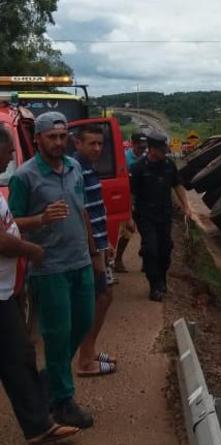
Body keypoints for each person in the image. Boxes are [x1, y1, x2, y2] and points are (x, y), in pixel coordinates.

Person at [9, 112, 96, 429]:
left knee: (83, 322)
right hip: (49, 268)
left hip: (80, 261)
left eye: (62, 137)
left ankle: (49, 380)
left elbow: (82, 210)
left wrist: (96, 251)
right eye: (52, 137)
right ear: (38, 139)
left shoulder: (74, 168)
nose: (59, 143)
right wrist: (41, 220)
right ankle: (62, 401)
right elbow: (12, 223)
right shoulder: (24, 176)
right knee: (57, 335)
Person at [0, 125, 80, 445]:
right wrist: (31, 250)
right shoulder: (22, 177)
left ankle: (38, 427)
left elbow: (10, 225)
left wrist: (38, 223)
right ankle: (39, 426)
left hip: (5, 292)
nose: (9, 160)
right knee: (19, 355)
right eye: (6, 153)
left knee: (18, 359)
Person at [74, 124, 117, 377]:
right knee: (100, 297)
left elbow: (97, 209)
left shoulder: (89, 168)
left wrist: (106, 242)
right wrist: (94, 252)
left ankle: (89, 351)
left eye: (100, 144)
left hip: (98, 245)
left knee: (103, 297)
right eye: (92, 143)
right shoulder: (76, 170)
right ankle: (85, 359)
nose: (97, 148)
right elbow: (82, 214)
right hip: (89, 249)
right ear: (77, 143)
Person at [129, 131, 192, 301]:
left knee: (165, 249)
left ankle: (162, 279)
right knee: (151, 249)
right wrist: (129, 216)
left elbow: (177, 185)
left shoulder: (169, 165)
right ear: (152, 149)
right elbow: (131, 195)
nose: (165, 151)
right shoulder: (138, 168)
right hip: (145, 215)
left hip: (164, 214)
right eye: (161, 148)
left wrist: (186, 206)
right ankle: (154, 286)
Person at [114, 132, 147, 273]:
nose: (141, 150)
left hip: (143, 201)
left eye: (144, 147)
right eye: (139, 147)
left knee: (147, 234)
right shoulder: (124, 159)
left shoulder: (146, 159)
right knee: (127, 232)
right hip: (127, 200)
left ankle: (147, 262)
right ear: (132, 143)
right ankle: (117, 260)